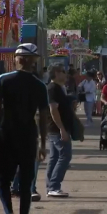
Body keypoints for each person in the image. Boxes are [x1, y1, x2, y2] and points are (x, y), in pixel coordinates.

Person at [0, 43, 48, 214]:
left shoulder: (4, 79)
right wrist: (42, 144)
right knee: (25, 184)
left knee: (4, 179)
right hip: (28, 138)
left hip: (6, 135)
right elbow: (43, 117)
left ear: (17, 59)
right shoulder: (40, 86)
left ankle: (9, 213)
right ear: (33, 61)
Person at [46, 63, 74, 198]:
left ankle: (51, 186)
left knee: (55, 157)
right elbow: (53, 109)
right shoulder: (52, 88)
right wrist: (61, 128)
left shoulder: (59, 88)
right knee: (65, 156)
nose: (66, 74)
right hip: (57, 129)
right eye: (63, 71)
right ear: (56, 73)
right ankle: (54, 186)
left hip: (57, 129)